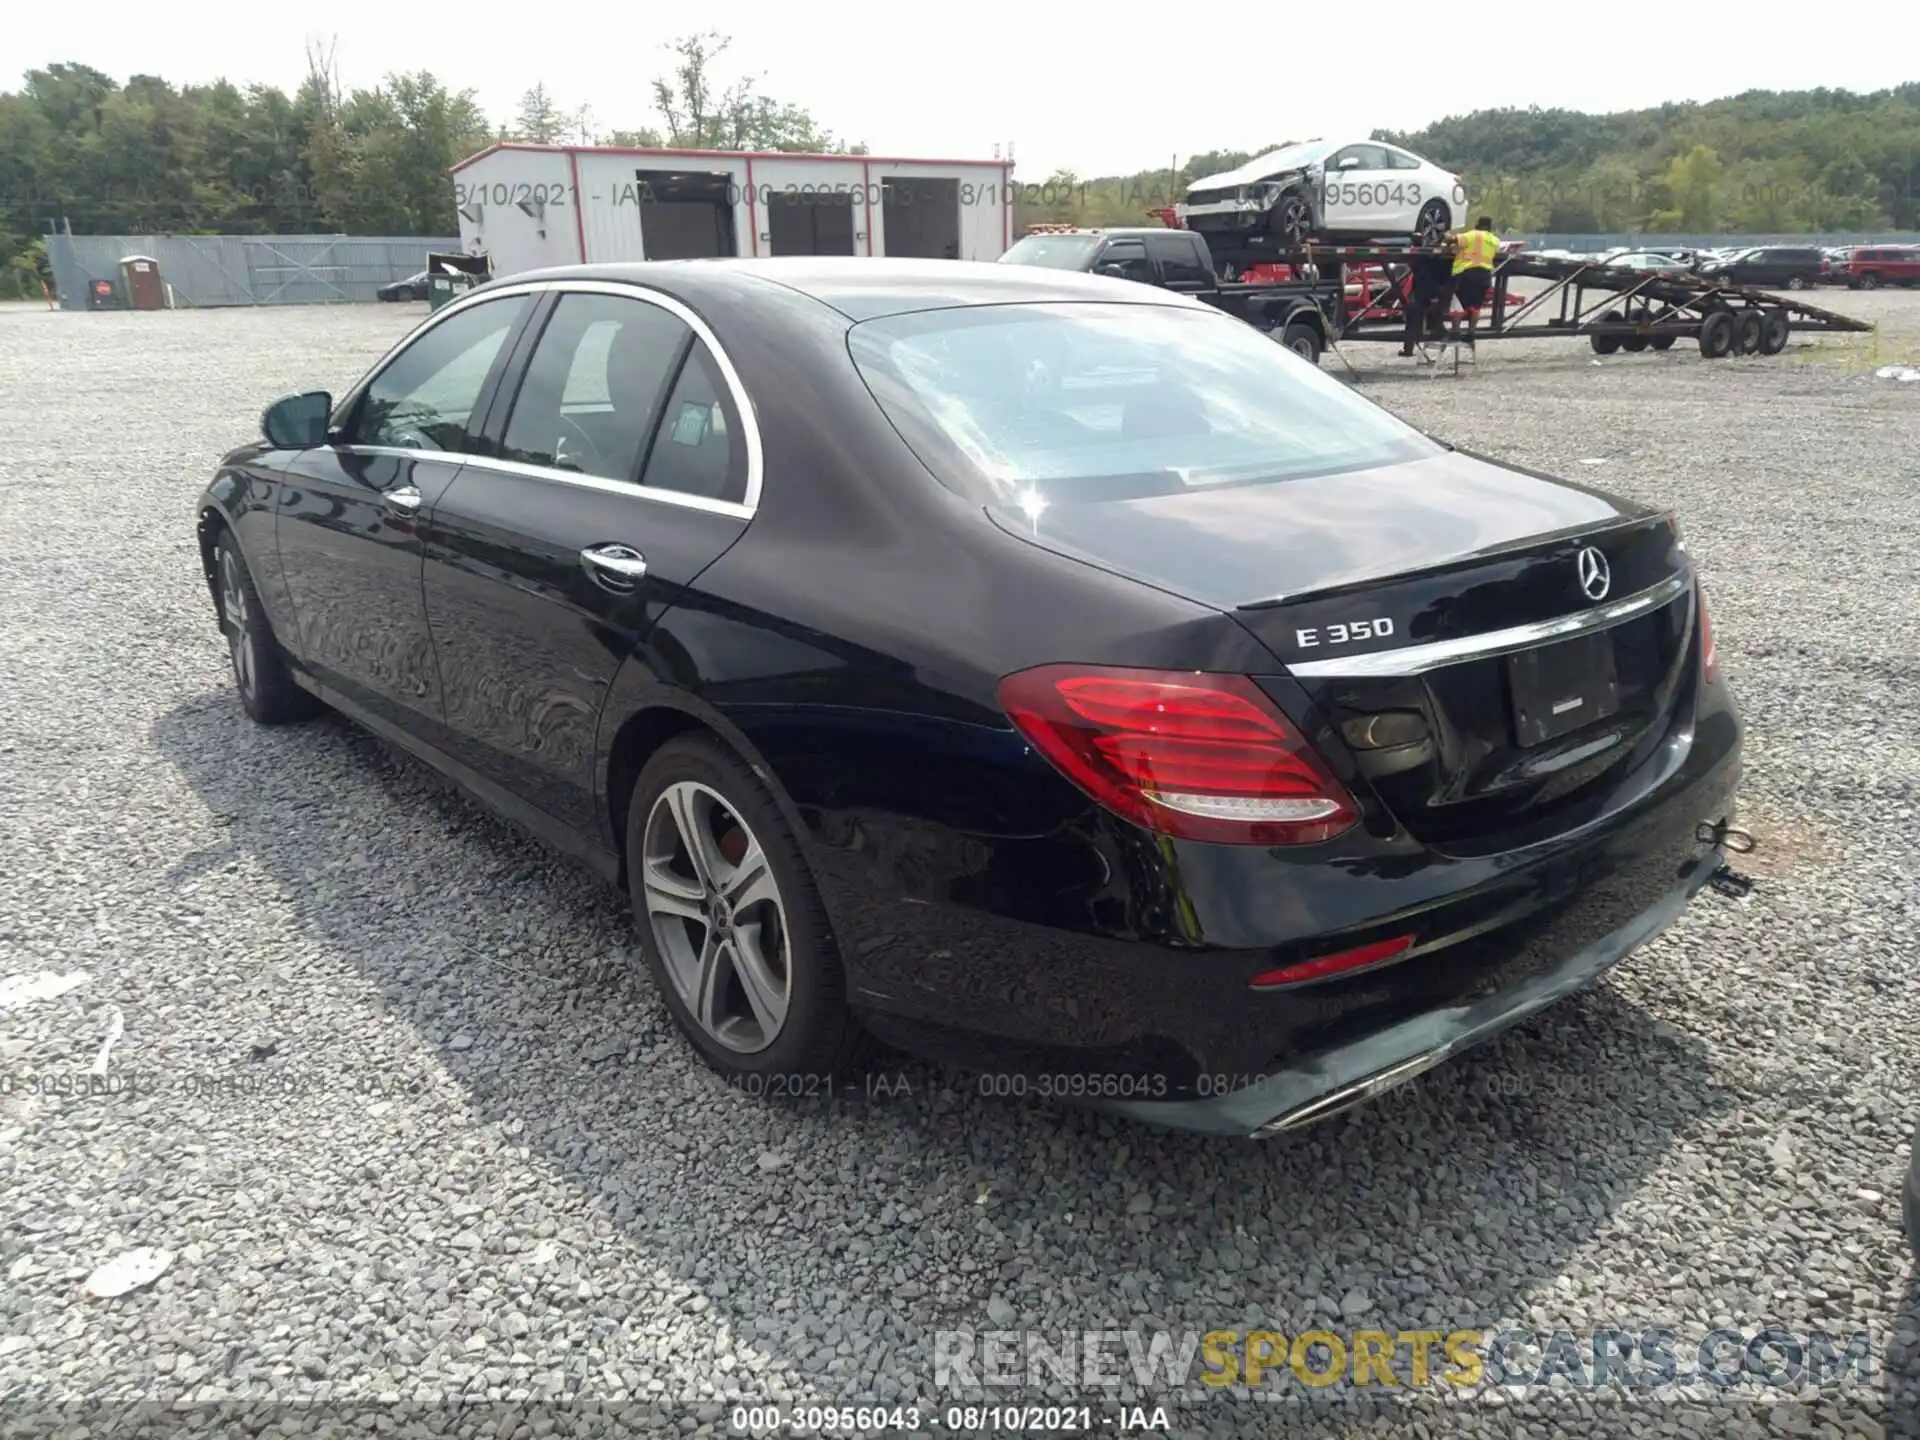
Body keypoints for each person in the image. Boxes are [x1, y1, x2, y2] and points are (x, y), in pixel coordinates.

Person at [1448, 215, 1502, 347]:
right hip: (1484, 275)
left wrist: (1445, 235)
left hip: (1467, 273)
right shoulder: (1494, 240)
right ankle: (1471, 333)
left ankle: (1455, 332)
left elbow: (1453, 240)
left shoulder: (1472, 235)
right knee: (1476, 306)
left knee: (1458, 304)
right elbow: (1497, 252)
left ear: (1478, 224)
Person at [1399, 232, 1455, 356]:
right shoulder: (1436, 257)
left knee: (1418, 319)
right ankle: (1439, 335)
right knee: (1427, 318)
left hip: (1428, 290)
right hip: (1433, 290)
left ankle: (1410, 348)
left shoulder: (1424, 257)